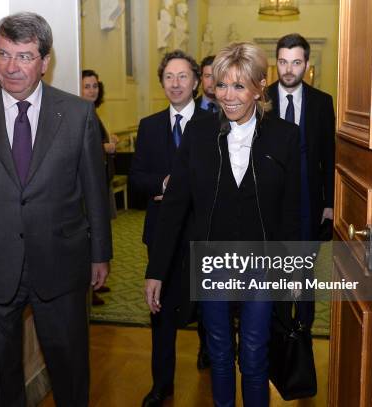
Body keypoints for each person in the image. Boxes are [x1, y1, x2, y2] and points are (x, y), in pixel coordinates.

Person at [0, 12, 112, 407]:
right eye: (3, 53)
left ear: (45, 61)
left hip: (61, 262)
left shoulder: (78, 114)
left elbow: (94, 193)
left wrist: (100, 254)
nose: (11, 67)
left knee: (69, 366)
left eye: (25, 56)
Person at [145, 42, 301, 406]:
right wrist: (156, 271)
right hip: (212, 262)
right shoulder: (199, 134)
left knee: (253, 354)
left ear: (260, 87)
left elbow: (292, 214)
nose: (228, 96)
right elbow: (175, 207)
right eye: (222, 85)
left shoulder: (284, 137)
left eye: (239, 86)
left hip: (262, 264)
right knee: (217, 353)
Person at [130, 50, 211, 407]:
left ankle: (211, 357)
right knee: (160, 311)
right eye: (169, 77)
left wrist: (187, 191)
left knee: (209, 306)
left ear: (196, 82)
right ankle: (161, 384)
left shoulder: (214, 124)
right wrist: (165, 185)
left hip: (203, 234)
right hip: (160, 234)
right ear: (162, 82)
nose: (175, 84)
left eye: (183, 77)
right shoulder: (149, 126)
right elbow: (136, 178)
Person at [268, 33, 335, 327]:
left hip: (309, 199)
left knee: (305, 269)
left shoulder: (322, 102)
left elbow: (329, 157)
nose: (288, 69)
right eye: (283, 62)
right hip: (273, 201)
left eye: (295, 62)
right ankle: (281, 330)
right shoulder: (261, 99)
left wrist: (330, 202)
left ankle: (303, 331)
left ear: (306, 64)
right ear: (277, 62)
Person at [81, 69, 117, 305]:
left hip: (102, 183)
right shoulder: (81, 114)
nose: (92, 90)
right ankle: (89, 287)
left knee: (101, 231)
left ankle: (96, 280)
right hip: (88, 189)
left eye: (95, 85)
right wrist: (107, 147)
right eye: (87, 86)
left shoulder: (93, 112)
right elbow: (87, 151)